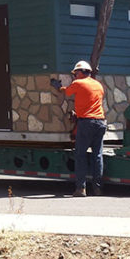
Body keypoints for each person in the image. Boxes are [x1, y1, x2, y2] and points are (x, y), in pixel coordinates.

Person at [53, 60, 107, 197]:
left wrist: (59, 87)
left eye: (75, 73)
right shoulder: (98, 85)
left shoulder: (78, 83)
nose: (74, 76)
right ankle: (97, 188)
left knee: (80, 155)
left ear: (81, 72)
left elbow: (68, 92)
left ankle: (81, 188)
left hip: (87, 123)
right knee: (97, 156)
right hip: (100, 122)